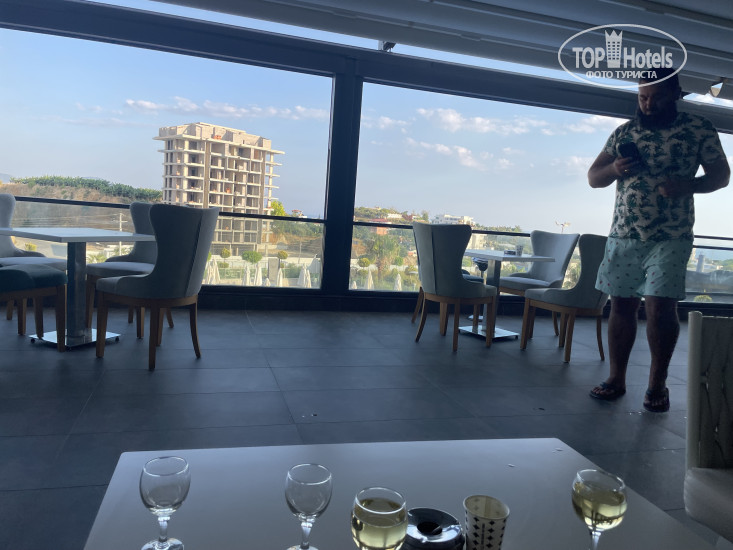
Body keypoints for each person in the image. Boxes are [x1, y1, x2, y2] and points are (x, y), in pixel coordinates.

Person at [587, 68, 730, 412]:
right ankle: (616, 379)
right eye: (642, 97)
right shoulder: (625, 132)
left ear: (675, 95)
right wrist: (614, 170)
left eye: (655, 98)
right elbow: (594, 177)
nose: (648, 105)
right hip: (624, 234)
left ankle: (657, 384)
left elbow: (721, 176)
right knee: (621, 305)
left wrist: (688, 185)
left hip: (672, 235)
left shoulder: (699, 128)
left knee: (660, 306)